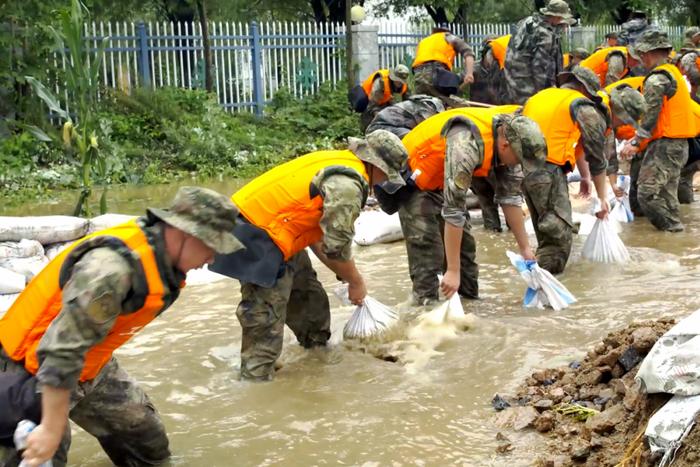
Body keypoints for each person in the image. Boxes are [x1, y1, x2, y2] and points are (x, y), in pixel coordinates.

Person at [0, 187, 243, 467]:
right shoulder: (110, 270)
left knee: (144, 436)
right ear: (186, 234)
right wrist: (51, 429)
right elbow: (60, 352)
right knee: (43, 454)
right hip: (32, 365)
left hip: (89, 359)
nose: (212, 259)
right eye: (212, 247)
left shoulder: (163, 257)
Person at [210, 130, 408, 381]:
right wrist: (356, 282)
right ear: (376, 165)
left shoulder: (338, 162)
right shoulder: (348, 184)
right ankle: (255, 387)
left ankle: (315, 358)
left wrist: (346, 276)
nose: (382, 183)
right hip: (255, 236)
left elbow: (318, 236)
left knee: (309, 300)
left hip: (280, 233)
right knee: (264, 324)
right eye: (386, 175)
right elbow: (336, 247)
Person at [387, 106, 539, 303]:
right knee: (427, 255)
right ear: (505, 145)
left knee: (465, 255)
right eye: (518, 160)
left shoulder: (510, 141)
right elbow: (454, 211)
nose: (517, 164)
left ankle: (467, 309)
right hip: (414, 179)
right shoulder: (464, 146)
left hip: (443, 180)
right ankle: (424, 310)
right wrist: (451, 270)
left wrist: (525, 248)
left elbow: (510, 199)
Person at [522, 66, 644, 273]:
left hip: (524, 172)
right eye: (622, 120)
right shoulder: (586, 109)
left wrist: (585, 178)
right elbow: (597, 156)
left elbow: (577, 146)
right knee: (558, 241)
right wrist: (602, 198)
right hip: (547, 171)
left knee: (546, 232)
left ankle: (537, 275)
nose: (619, 124)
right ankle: (542, 288)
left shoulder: (546, 96)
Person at [620, 30, 700, 231]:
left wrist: (636, 142)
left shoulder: (657, 79)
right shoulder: (672, 73)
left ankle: (672, 230)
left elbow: (649, 116)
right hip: (679, 144)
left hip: (666, 143)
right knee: (667, 194)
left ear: (647, 53)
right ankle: (675, 246)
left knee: (647, 192)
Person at [501, 0, 574, 104]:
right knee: (529, 114)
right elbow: (539, 67)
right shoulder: (545, 35)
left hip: (510, 76)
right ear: (557, 17)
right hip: (526, 82)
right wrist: (544, 93)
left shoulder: (528, 21)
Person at [411, 26, 475, 108]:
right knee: (448, 104)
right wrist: (469, 73)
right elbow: (468, 53)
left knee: (422, 105)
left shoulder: (423, 42)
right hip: (436, 73)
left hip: (418, 75)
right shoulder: (449, 37)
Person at [365, 94, 445, 138]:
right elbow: (424, 128)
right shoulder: (424, 109)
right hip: (378, 129)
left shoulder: (421, 104)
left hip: (384, 127)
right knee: (413, 137)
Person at [359, 65, 411, 131]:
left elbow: (408, 102)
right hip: (369, 102)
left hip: (385, 100)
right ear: (393, 77)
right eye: (397, 80)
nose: (399, 83)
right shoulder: (381, 82)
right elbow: (372, 105)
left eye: (401, 81)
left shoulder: (404, 85)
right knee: (371, 125)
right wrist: (380, 117)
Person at [472, 35, 510, 106]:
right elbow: (459, 82)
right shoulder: (474, 68)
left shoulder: (503, 69)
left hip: (498, 110)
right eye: (491, 51)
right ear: (484, 52)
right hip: (477, 109)